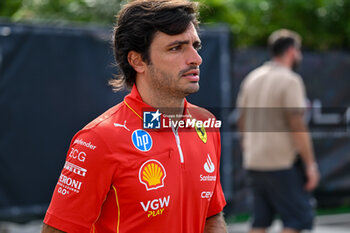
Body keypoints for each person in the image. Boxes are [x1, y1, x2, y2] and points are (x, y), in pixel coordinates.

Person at [41, 0, 227, 232]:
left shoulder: (205, 124)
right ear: (137, 60)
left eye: (195, 46)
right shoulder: (98, 138)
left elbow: (212, 216)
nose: (196, 59)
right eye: (176, 48)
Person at [236, 29, 320, 233]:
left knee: (260, 220)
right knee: (297, 220)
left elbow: (241, 120)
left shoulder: (252, 78)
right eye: (298, 51)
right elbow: (297, 124)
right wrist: (310, 165)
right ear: (291, 51)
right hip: (282, 163)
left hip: (254, 162)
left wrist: (249, 149)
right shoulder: (290, 80)